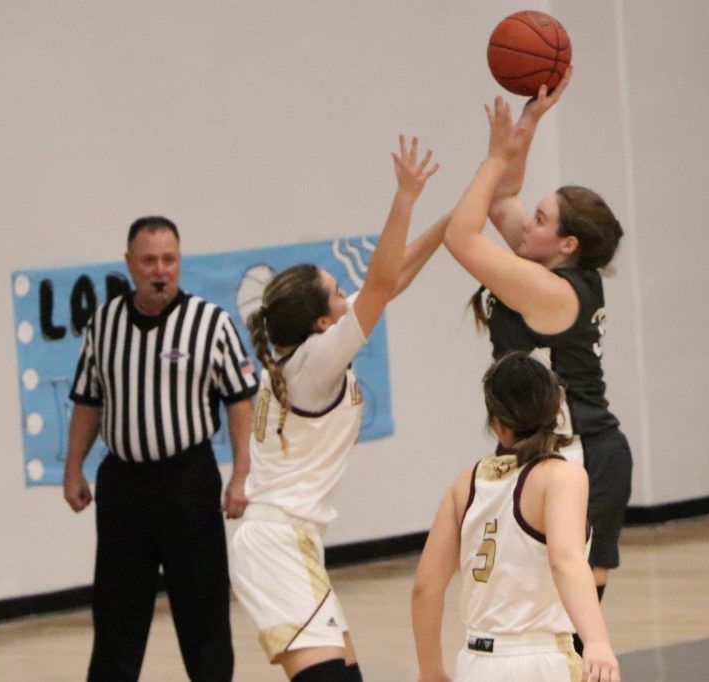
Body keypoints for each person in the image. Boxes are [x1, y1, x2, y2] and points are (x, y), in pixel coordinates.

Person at [229, 135, 439, 682]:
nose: (350, 295)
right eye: (339, 292)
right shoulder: (316, 363)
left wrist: (456, 220)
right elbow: (383, 283)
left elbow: (389, 281)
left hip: (287, 541)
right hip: (276, 544)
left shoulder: (301, 356)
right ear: (322, 322)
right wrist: (405, 198)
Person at [442, 69, 631, 647]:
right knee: (529, 605)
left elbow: (461, 236)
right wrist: (530, 120)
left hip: (581, 452)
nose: (529, 222)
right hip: (540, 447)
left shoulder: (552, 291)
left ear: (567, 244)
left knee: (572, 625)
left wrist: (495, 157)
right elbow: (502, 200)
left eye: (542, 219)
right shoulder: (544, 269)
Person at [63, 215, 258, 681]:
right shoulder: (103, 324)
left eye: (169, 260)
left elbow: (239, 401)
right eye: (149, 260)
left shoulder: (210, 323)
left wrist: (241, 475)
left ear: (180, 263)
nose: (160, 270)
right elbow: (88, 401)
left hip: (187, 479)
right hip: (123, 484)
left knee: (203, 609)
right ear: (129, 263)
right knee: (115, 611)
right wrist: (73, 470)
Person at [411, 352, 621, 682]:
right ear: (556, 410)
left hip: (475, 662)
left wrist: (430, 669)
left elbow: (425, 587)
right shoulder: (562, 476)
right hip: (540, 660)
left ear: (497, 425)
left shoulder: (465, 484)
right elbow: (565, 560)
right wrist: (596, 641)